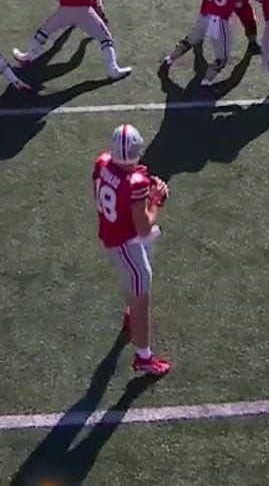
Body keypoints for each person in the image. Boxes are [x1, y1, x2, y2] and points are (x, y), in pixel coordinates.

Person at [93, 124, 172, 377]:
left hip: (111, 232)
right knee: (142, 291)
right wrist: (155, 201)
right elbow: (144, 229)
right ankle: (144, 357)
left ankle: (130, 316)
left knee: (135, 285)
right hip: (126, 243)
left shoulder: (103, 163)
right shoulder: (136, 183)